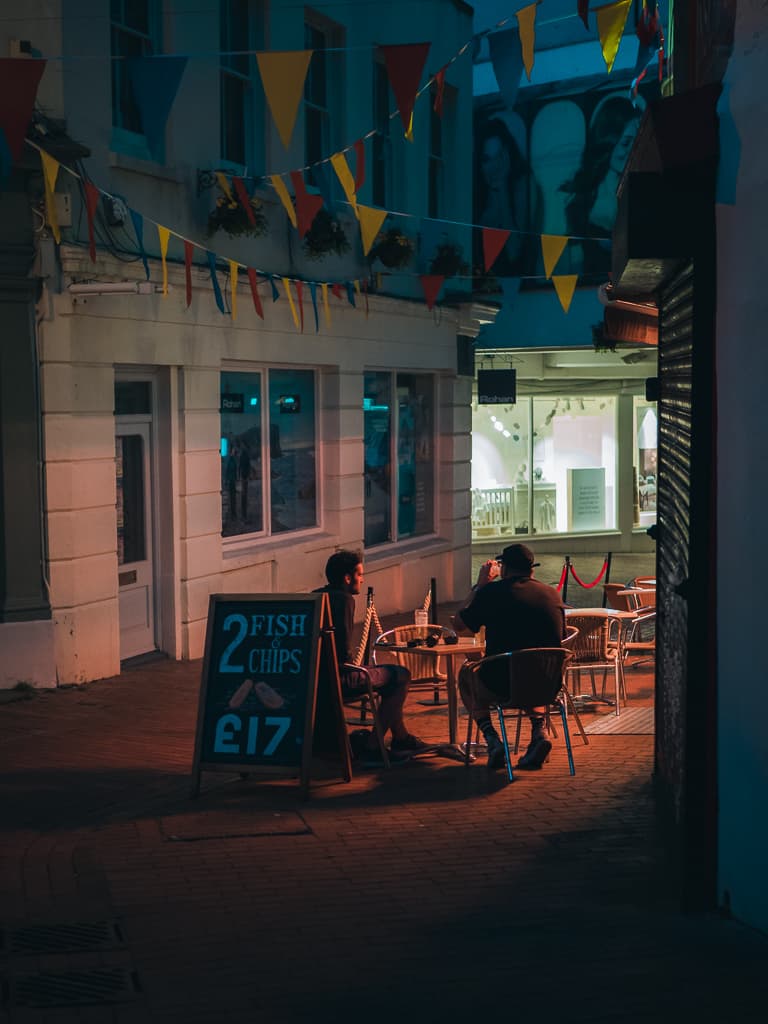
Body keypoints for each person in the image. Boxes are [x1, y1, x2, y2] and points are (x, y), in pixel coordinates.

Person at [451, 543, 565, 771]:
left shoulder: (493, 593)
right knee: (531, 672)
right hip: (548, 684)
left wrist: (479, 586)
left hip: (502, 684)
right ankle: (539, 732)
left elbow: (459, 624)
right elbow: (560, 637)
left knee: (466, 674)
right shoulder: (552, 594)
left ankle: (492, 740)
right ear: (532, 569)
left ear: (503, 568)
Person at [316, 550, 429, 766]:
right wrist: (352, 666)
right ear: (347, 578)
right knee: (401, 675)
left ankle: (401, 737)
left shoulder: (318, 596)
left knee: (387, 677)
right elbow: (340, 649)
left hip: (317, 677)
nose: (362, 579)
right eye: (359, 574)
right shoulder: (344, 599)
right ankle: (374, 746)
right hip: (337, 677)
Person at [559, 97, 641, 274]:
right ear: (609, 144)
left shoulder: (643, 193)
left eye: (637, 142)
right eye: (626, 143)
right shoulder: (580, 203)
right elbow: (575, 268)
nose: (632, 151)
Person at [474, 116, 543, 278]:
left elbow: (514, 252)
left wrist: (502, 188)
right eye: (487, 159)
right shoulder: (476, 194)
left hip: (515, 285)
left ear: (508, 156)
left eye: (499, 157)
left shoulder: (523, 185)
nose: (494, 167)